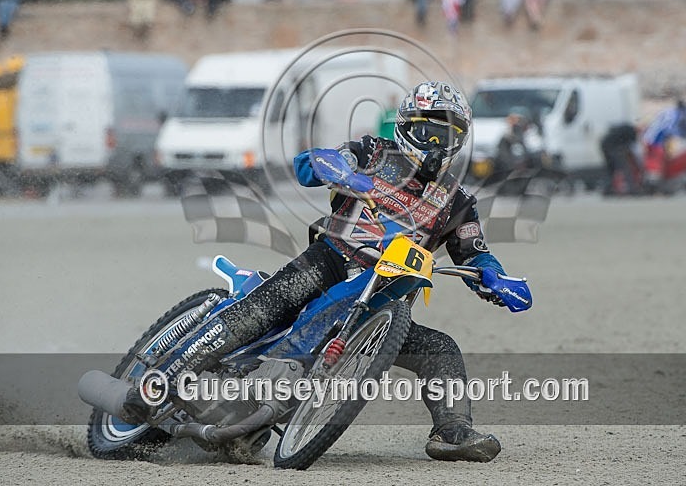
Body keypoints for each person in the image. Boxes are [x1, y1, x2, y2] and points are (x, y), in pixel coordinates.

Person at [125, 81, 531, 462]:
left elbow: (474, 252)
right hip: (331, 260)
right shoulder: (375, 152)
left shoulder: (457, 200)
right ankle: (163, 376)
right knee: (260, 309)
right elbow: (311, 164)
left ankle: (453, 433)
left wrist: (495, 276)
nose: (440, 143)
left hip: (385, 299)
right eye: (432, 131)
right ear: (408, 127)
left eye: (450, 135)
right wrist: (339, 167)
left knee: (442, 350)